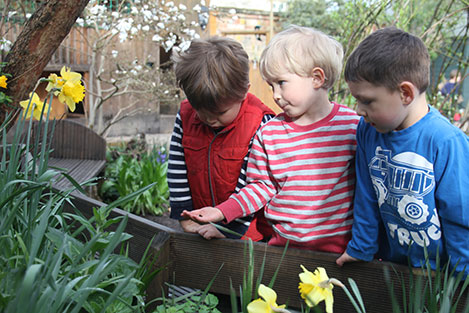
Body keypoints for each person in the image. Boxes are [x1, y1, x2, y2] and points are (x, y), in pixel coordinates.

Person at [182, 25, 360, 253]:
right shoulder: (270, 133)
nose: (275, 95)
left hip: (340, 249)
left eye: (281, 83)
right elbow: (260, 187)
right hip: (282, 247)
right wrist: (222, 211)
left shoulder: (352, 126)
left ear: (316, 78)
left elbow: (366, 187)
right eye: (270, 86)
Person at [335, 27, 469, 277]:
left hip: (440, 277)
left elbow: (459, 215)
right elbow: (367, 195)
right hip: (394, 269)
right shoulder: (368, 131)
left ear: (405, 93)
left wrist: (463, 277)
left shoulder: (446, 141)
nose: (358, 110)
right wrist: (361, 248)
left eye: (367, 101)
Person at [167, 36, 275, 240]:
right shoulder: (186, 115)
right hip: (201, 223)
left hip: (249, 235)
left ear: (244, 92)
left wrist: (228, 228)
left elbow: (254, 185)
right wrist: (184, 213)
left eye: (220, 113)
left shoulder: (260, 123)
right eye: (200, 110)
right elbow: (177, 168)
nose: (209, 120)